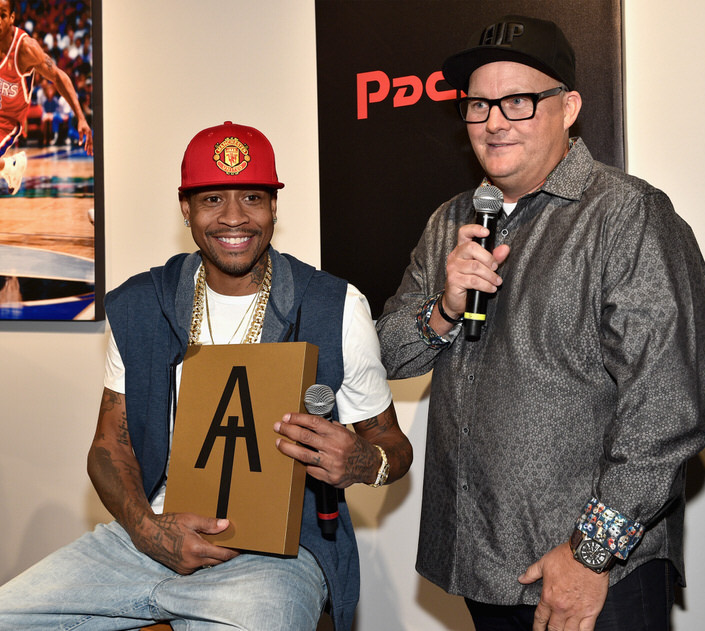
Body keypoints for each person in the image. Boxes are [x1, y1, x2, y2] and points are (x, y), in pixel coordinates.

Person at [0, 121, 412, 630]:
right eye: (213, 198)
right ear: (186, 209)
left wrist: (361, 461)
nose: (234, 217)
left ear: (274, 208)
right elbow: (109, 445)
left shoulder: (335, 306)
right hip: (146, 536)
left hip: (275, 554)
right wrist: (146, 528)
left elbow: (394, 447)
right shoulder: (141, 303)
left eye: (252, 198)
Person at [376, 14, 705, 631]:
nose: (495, 121)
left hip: (594, 574)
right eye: (478, 105)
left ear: (570, 107)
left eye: (520, 101)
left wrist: (590, 554)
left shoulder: (627, 214)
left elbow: (667, 411)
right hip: (481, 560)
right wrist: (444, 309)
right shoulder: (450, 220)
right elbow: (390, 355)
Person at [0, 0, 93, 195]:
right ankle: (8, 166)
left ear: (12, 17)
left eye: (2, 15)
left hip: (7, 122)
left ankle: (8, 166)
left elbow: (58, 76)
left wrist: (81, 117)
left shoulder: (25, 48)